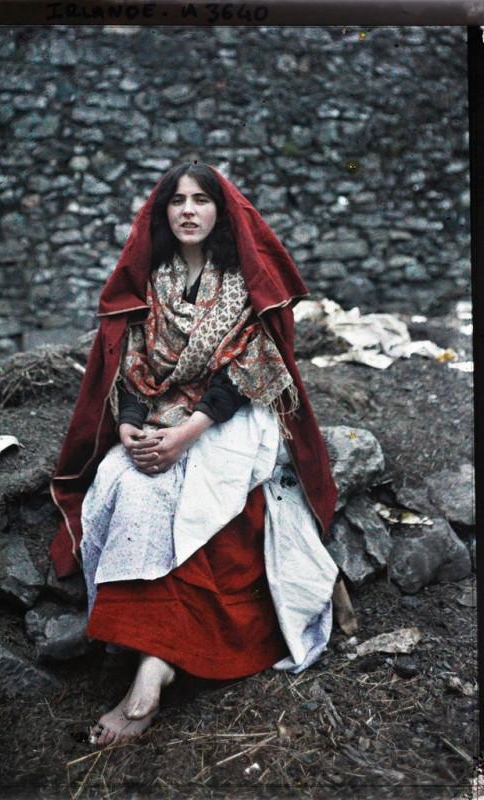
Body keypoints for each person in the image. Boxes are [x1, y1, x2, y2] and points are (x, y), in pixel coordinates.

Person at [49, 161, 356, 746]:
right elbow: (135, 368)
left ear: (220, 211)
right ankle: (143, 646)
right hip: (161, 415)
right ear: (163, 212)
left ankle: (152, 676)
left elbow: (251, 369)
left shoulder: (244, 278)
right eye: (177, 200)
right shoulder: (153, 282)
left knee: (201, 496)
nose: (188, 210)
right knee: (127, 483)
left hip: (231, 416)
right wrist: (134, 429)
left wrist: (187, 434)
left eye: (201, 199)